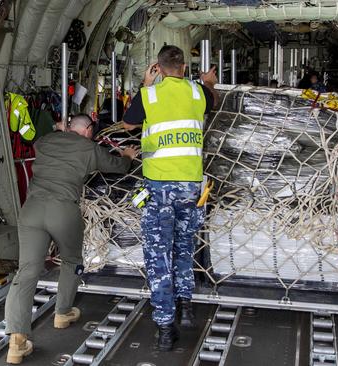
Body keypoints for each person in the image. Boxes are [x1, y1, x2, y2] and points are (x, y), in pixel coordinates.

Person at [5, 114, 139, 364]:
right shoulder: (88, 147)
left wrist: (59, 128)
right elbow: (118, 167)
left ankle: (16, 342)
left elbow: (45, 136)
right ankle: (63, 313)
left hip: (31, 210)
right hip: (62, 210)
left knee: (26, 272)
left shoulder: (45, 142)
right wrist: (128, 155)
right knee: (71, 260)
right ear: (88, 130)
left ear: (68, 127)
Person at [122, 45, 218, 351]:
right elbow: (210, 100)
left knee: (158, 255)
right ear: (185, 68)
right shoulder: (196, 93)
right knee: (184, 245)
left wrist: (146, 85)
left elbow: (128, 123)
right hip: (190, 187)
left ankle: (165, 327)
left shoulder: (149, 96)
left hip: (159, 188)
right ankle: (186, 306)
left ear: (159, 68)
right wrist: (208, 82)